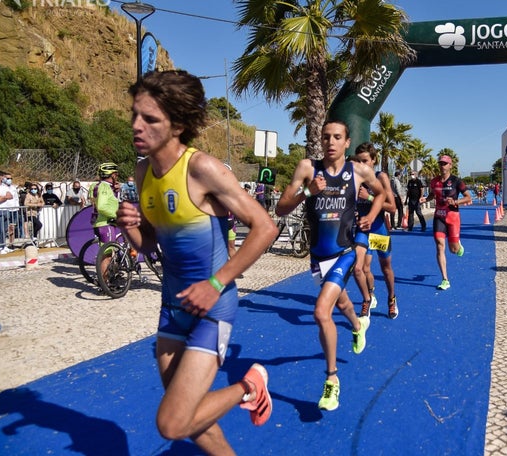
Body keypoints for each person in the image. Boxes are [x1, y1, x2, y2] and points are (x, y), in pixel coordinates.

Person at [116, 70, 276, 454]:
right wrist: (129, 228)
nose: (137, 126)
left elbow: (265, 227)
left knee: (172, 423)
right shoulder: (143, 172)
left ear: (179, 125)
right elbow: (152, 243)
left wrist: (216, 283)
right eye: (135, 114)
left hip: (213, 308)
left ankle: (250, 385)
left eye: (150, 119)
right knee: (192, 422)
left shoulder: (202, 168)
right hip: (172, 307)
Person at [274, 119, 384, 412]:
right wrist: (308, 192)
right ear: (320, 141)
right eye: (326, 137)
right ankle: (357, 325)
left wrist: (371, 213)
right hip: (318, 256)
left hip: (346, 251)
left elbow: (383, 194)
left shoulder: (358, 170)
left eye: (337, 137)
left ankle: (332, 380)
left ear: (347, 142)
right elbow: (280, 208)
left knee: (322, 310)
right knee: (342, 301)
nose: (330, 142)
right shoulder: (307, 168)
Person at [351, 143, 399, 320]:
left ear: (373, 160)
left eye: (365, 161)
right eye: (358, 161)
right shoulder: (354, 178)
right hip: (363, 230)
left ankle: (392, 298)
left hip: (379, 229)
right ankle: (368, 297)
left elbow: (392, 208)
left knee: (386, 268)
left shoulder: (381, 177)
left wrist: (368, 197)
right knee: (361, 267)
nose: (362, 165)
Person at [426, 155, 472, 290]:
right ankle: (445, 279)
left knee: (454, 250)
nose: (442, 166)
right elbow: (432, 195)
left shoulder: (457, 181)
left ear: (450, 165)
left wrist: (456, 202)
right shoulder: (434, 181)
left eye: (445, 163)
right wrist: (425, 199)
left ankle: (458, 245)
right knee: (440, 245)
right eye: (440, 163)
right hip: (439, 217)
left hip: (453, 217)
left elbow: (469, 198)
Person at [90, 163, 121, 279]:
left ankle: (110, 276)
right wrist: (117, 216)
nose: (117, 176)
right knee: (107, 255)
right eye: (116, 174)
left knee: (108, 252)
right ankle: (106, 283)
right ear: (112, 175)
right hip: (106, 223)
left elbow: (94, 199)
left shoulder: (96, 186)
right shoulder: (105, 187)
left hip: (99, 222)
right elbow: (102, 206)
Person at [0, 170, 18, 254]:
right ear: (0, 177)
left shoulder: (4, 186)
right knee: (0, 229)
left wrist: (4, 197)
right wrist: (5, 197)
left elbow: (11, 195)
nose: (6, 179)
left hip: (6, 209)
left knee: (5, 229)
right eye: (4, 177)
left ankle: (4, 245)